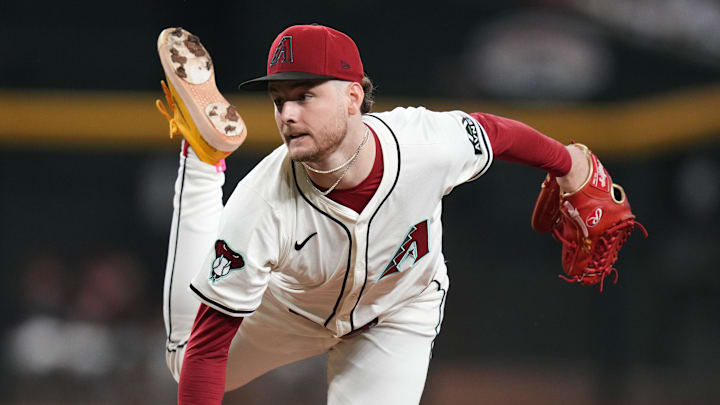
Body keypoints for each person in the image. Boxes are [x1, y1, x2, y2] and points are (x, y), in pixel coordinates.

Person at [156, 24, 590, 405]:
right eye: (278, 99)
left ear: (353, 96)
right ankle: (203, 153)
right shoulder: (262, 204)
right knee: (184, 357)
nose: (287, 114)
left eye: (305, 95)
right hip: (293, 312)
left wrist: (568, 163)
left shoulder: (423, 144)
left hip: (397, 310)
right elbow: (209, 351)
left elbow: (498, 134)